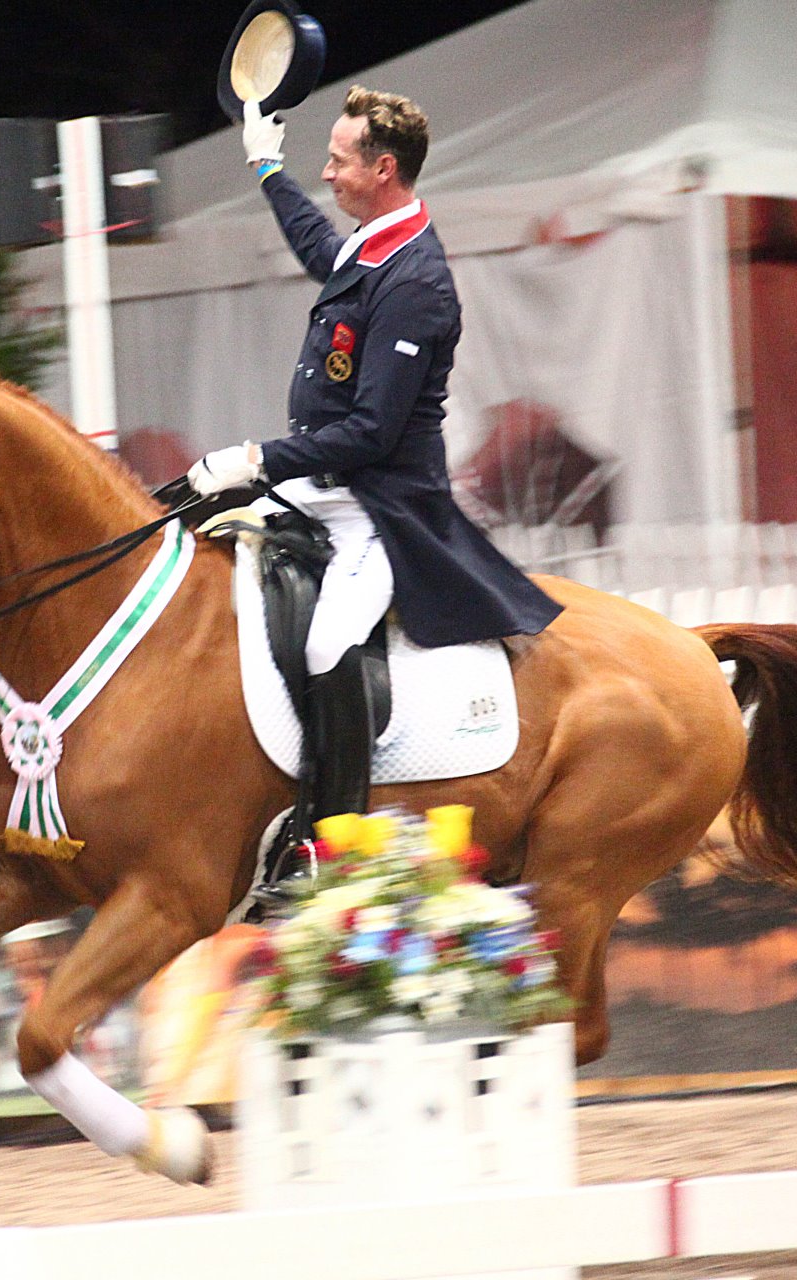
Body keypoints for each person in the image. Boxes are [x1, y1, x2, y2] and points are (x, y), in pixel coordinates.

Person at [186, 88, 563, 882]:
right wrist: (266, 168)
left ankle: (332, 841)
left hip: (380, 508)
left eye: (338, 160)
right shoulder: (375, 245)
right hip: (322, 489)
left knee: (326, 645)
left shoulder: (417, 281)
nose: (327, 172)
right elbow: (318, 246)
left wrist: (256, 459)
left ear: (383, 168)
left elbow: (371, 435)